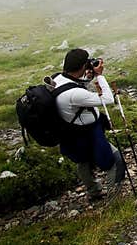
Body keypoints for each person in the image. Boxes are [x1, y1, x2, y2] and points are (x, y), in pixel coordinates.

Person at [54, 48, 127, 202]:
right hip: (88, 134)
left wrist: (86, 78)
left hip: (71, 134)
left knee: (83, 162)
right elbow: (108, 99)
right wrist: (100, 76)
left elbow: (75, 89)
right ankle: (114, 199)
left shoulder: (58, 79)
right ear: (82, 66)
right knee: (115, 160)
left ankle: (94, 192)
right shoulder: (73, 94)